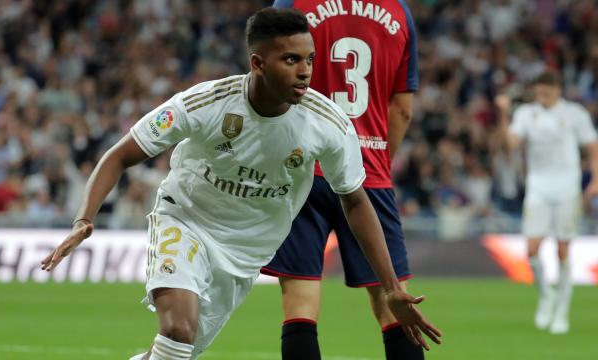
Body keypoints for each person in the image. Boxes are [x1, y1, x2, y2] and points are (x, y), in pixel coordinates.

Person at [40, 8, 441, 360]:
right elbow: (120, 154)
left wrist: (390, 288)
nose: (305, 71)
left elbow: (355, 201)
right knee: (177, 329)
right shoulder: (206, 103)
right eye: (290, 59)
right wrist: (83, 219)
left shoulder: (329, 124)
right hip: (187, 222)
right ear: (258, 63)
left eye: (309, 60)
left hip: (244, 255)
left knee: (178, 351)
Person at [262, 1, 425, 359]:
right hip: (369, 175)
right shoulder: (398, 12)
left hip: (301, 169)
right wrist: (374, 163)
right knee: (393, 303)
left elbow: (267, 84)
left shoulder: (293, 3)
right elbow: (403, 110)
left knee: (299, 304)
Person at [496, 71, 598, 334]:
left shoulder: (575, 114)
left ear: (558, 91)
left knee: (563, 250)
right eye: (539, 93)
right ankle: (547, 296)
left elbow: (592, 146)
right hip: (538, 187)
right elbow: (512, 144)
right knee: (531, 250)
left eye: (547, 93)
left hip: (567, 188)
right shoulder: (526, 114)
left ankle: (562, 311)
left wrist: (596, 179)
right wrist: (504, 113)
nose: (542, 97)